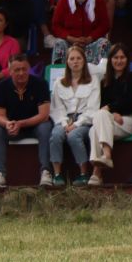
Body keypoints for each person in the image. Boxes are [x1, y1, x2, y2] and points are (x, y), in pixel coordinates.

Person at [0, 52, 52, 189]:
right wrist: (7, 124)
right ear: (10, 71)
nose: (21, 73)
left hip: (35, 126)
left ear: (28, 69)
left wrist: (21, 123)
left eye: (24, 69)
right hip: (12, 127)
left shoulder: (40, 84)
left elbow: (44, 115)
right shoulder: (1, 87)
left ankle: (46, 171)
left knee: (46, 127)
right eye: (17, 70)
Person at [88, 42, 132, 183]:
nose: (119, 61)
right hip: (111, 120)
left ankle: (97, 170)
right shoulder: (105, 82)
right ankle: (105, 158)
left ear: (127, 59)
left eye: (122, 57)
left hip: (129, 119)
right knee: (95, 126)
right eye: (115, 57)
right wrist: (112, 114)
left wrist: (111, 109)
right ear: (110, 60)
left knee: (97, 124)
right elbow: (102, 106)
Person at [48, 43, 100, 185]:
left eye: (78, 58)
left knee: (74, 136)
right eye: (72, 59)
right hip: (64, 119)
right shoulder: (59, 82)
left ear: (84, 61)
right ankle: (57, 174)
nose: (75, 61)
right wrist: (65, 123)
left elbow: (93, 108)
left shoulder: (93, 81)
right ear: (67, 62)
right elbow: (56, 108)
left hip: (84, 120)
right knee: (56, 135)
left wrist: (76, 124)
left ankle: (83, 173)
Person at [48, 0, 110, 66]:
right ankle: (59, 76)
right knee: (59, 43)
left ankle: (101, 77)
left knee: (104, 43)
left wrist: (90, 38)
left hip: (91, 43)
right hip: (70, 43)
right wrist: (71, 38)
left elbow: (105, 25)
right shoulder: (63, 2)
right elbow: (56, 26)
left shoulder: (99, 1)